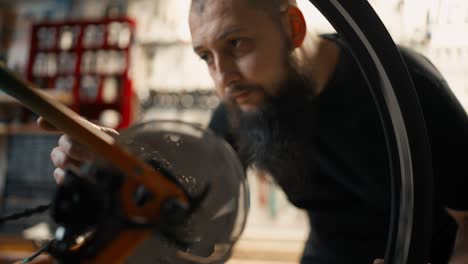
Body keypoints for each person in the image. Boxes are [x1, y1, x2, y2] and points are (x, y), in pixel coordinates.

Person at [40, 0, 468, 263]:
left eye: (237, 45)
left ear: (293, 28)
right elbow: (194, 195)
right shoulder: (241, 109)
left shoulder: (405, 87)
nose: (223, 78)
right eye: (206, 56)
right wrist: (122, 164)